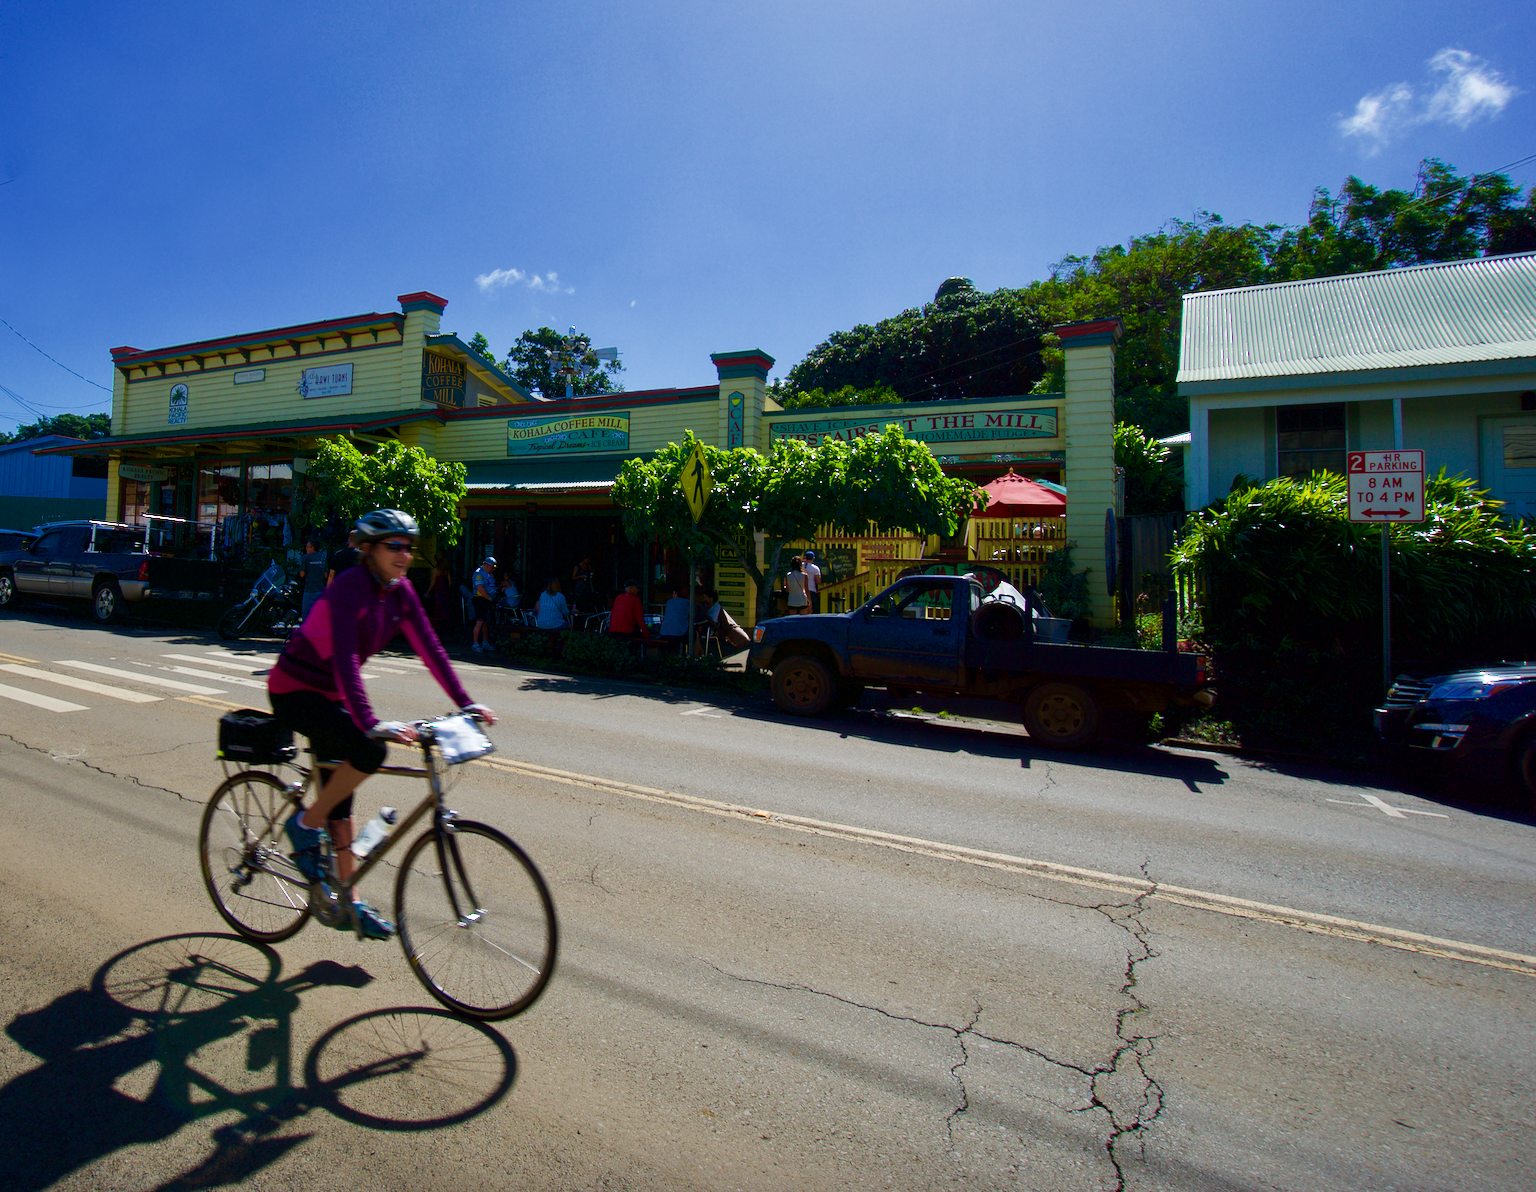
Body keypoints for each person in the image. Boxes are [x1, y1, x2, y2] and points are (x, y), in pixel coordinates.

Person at [270, 509, 496, 940]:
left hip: (332, 698)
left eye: (409, 547)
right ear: (369, 550)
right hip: (294, 691)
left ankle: (348, 902)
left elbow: (431, 648)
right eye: (394, 546)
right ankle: (302, 826)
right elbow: (345, 657)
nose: (404, 554)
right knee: (370, 750)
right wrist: (370, 722)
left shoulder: (401, 593)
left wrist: (467, 703)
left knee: (343, 803)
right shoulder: (350, 588)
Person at [470, 555, 496, 653]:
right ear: (487, 565)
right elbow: (480, 588)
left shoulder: (489, 574)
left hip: (488, 600)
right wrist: (489, 598)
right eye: (493, 567)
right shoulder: (478, 573)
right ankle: (475, 644)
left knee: (485, 622)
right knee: (480, 621)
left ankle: (485, 642)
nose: (494, 569)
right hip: (481, 600)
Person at [299, 538, 327, 620]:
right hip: (320, 590)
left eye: (308, 547)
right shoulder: (322, 558)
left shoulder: (305, 558)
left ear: (312, 548)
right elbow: (326, 575)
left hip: (309, 590)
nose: (306, 549)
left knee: (306, 616)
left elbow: (302, 574)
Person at [802, 549, 823, 614]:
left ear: (805, 557)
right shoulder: (815, 568)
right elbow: (818, 581)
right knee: (811, 608)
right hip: (812, 590)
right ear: (813, 558)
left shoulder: (800, 566)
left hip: (801, 590)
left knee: (802, 608)